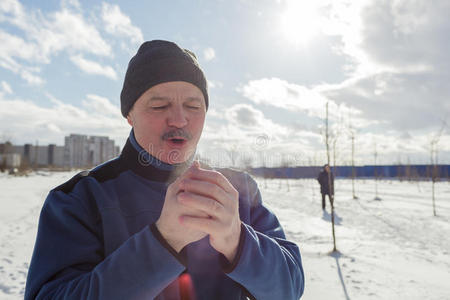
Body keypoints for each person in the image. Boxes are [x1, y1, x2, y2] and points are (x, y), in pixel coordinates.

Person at [25, 40, 304, 300]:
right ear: (129, 115)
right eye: (159, 105)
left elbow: (289, 287)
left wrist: (237, 240)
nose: (179, 119)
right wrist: (163, 242)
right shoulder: (81, 198)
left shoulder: (237, 189)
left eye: (193, 105)